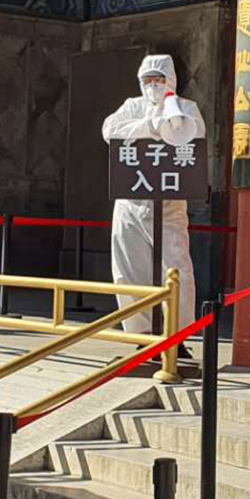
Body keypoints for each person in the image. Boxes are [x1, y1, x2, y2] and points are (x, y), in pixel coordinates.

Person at [102, 54, 205, 342]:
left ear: (170, 80)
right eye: (147, 80)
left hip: (170, 205)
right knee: (128, 270)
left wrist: (170, 120)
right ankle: (140, 334)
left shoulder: (186, 107)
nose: (152, 86)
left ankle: (177, 336)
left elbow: (195, 135)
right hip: (130, 202)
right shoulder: (132, 106)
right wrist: (149, 127)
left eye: (158, 80)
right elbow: (109, 130)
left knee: (176, 269)